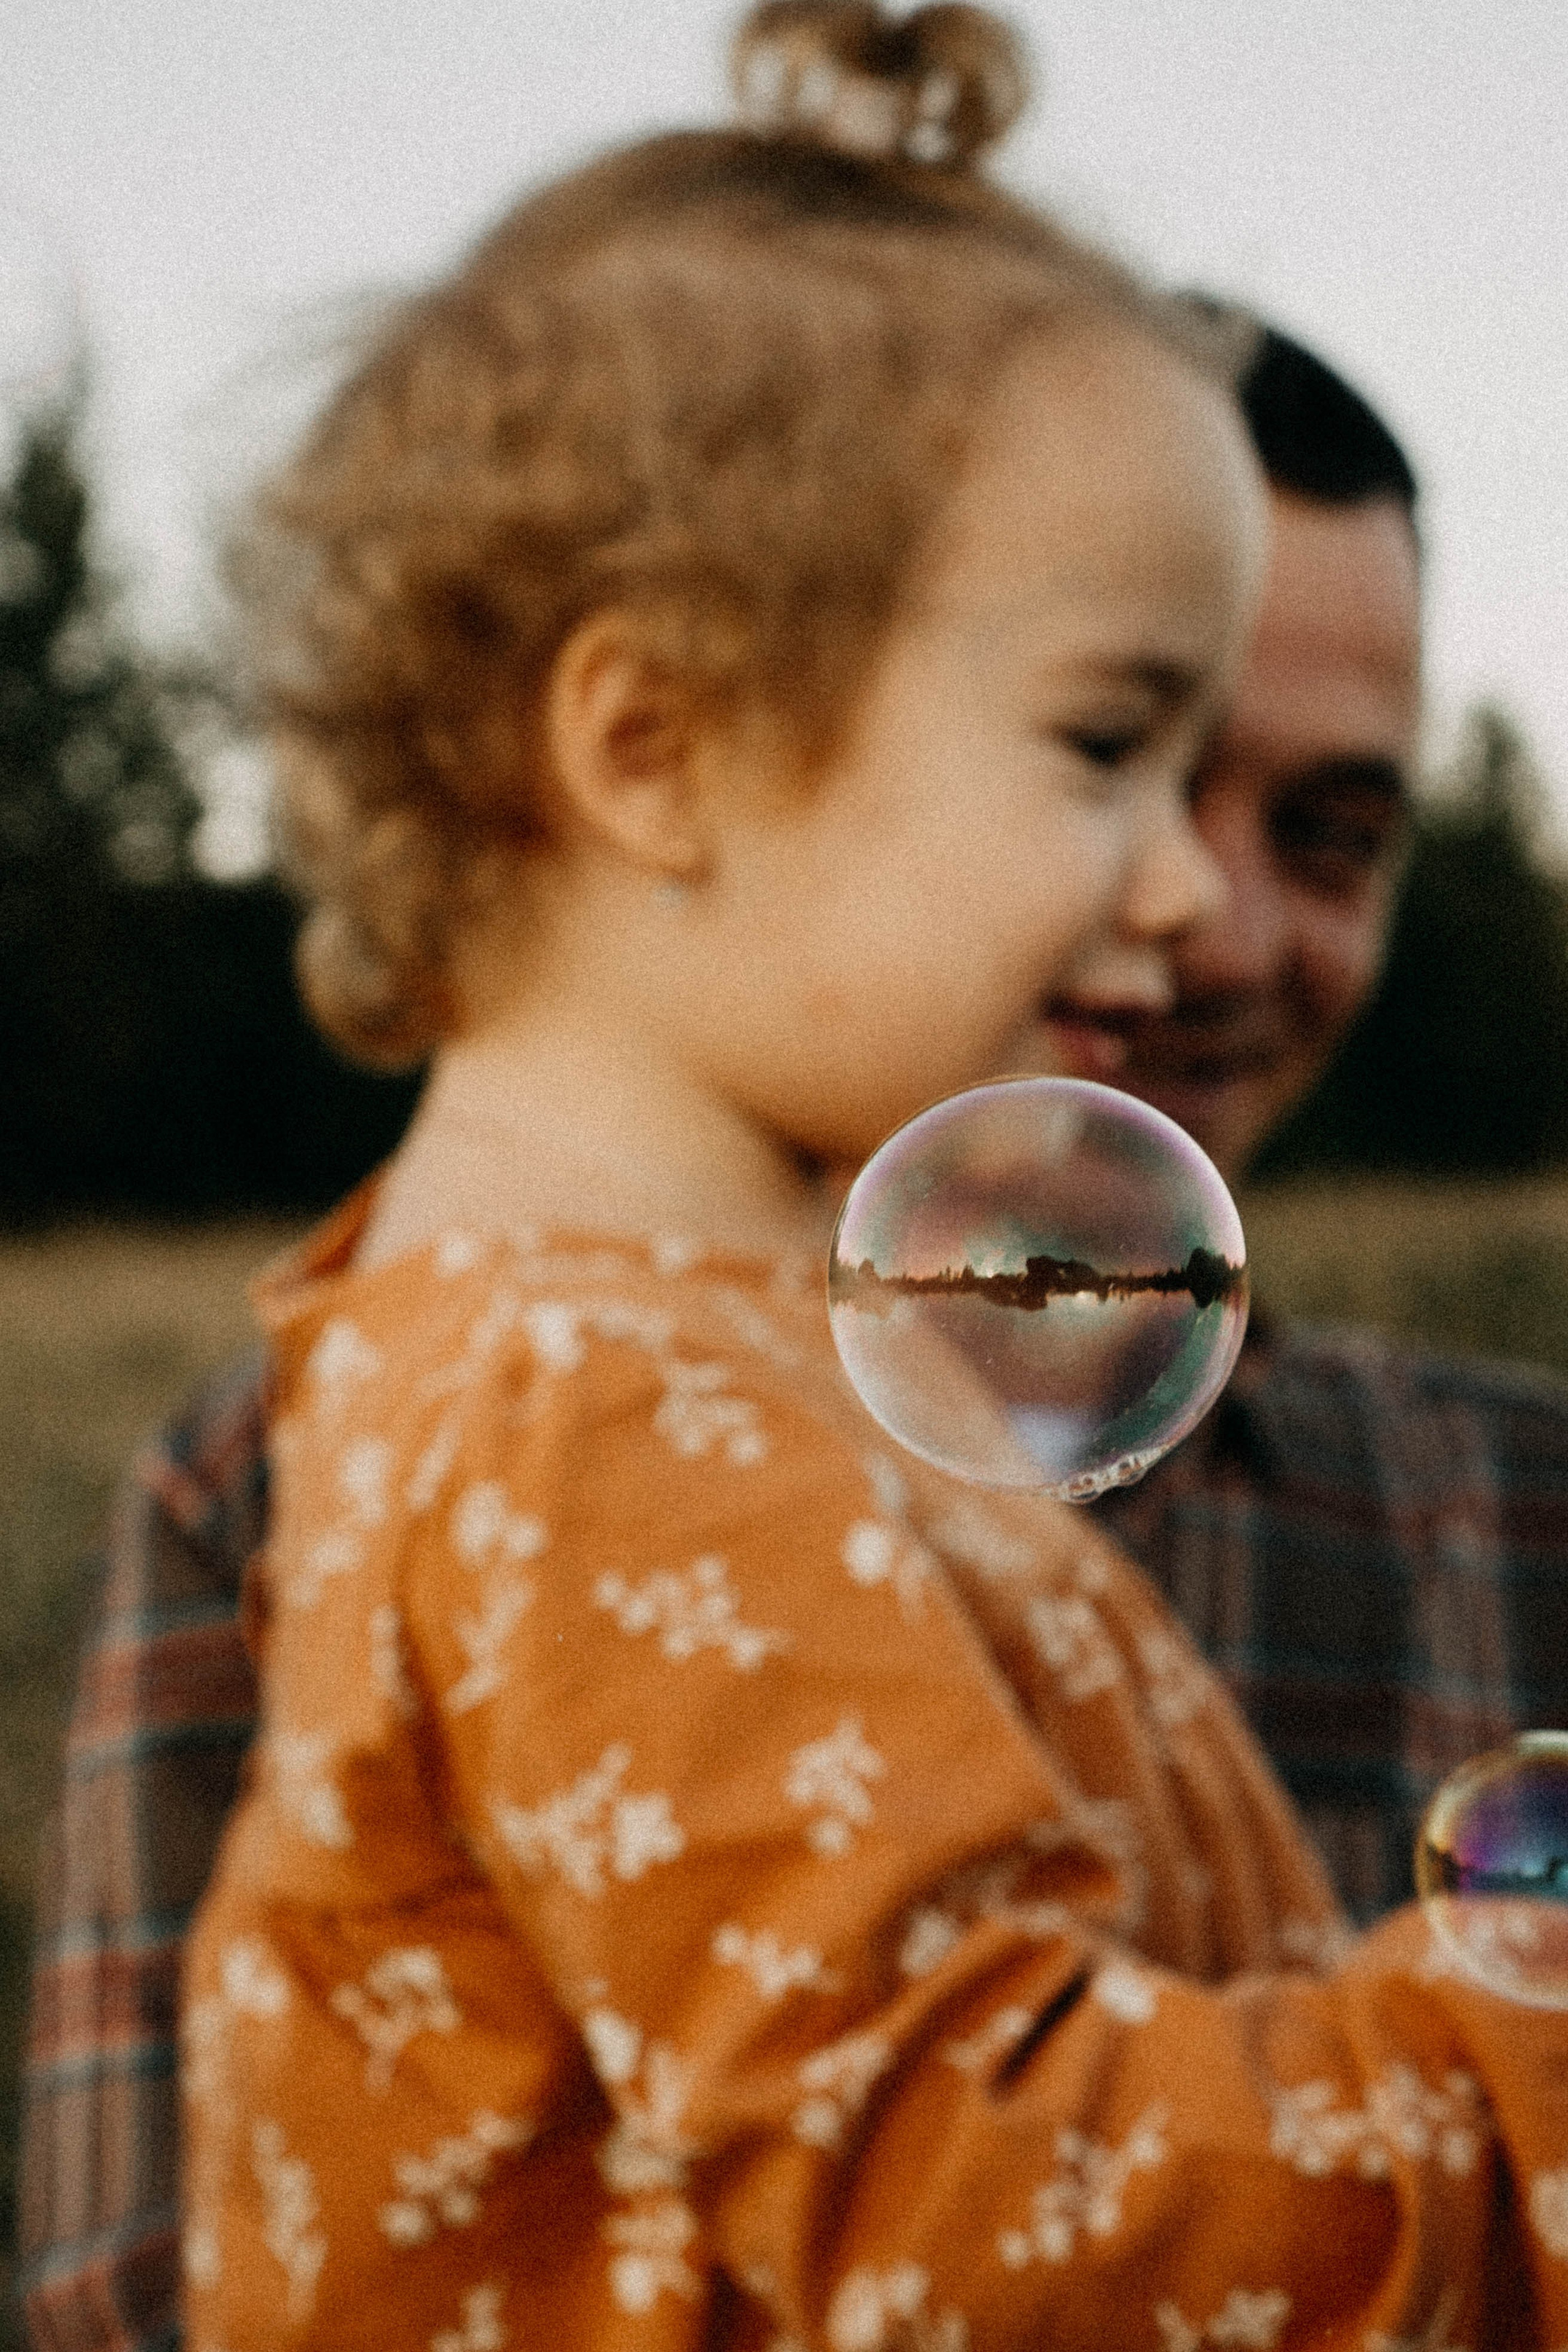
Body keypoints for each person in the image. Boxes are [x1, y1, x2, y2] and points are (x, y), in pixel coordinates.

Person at [18, 13, 1568, 2350]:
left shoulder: (672, 1374)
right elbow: (1000, 2206)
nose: (1183, 898)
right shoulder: (607, 1416)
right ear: (661, 747)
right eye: (1106, 745)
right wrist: (1522, 2060)